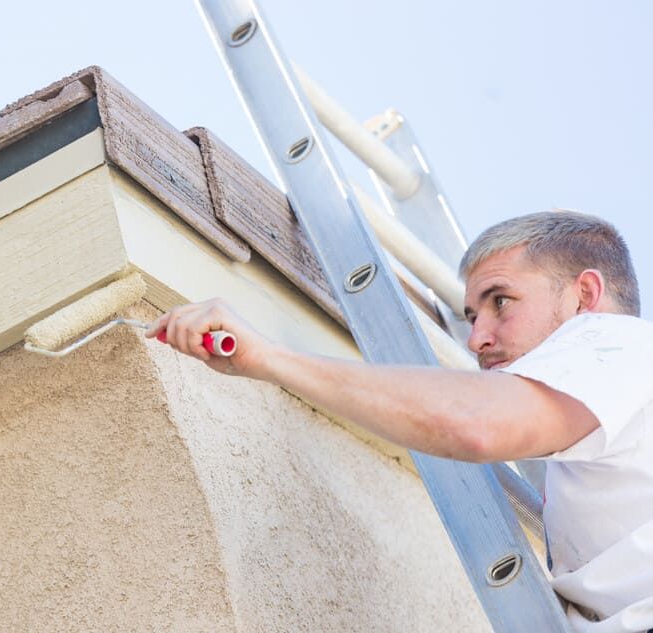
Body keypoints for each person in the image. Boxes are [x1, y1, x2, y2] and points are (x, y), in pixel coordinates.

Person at [146, 210, 653, 633]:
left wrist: (269, 358)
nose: (476, 339)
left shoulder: (622, 344)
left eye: (501, 301)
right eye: (472, 316)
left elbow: (474, 421)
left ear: (585, 296)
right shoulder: (600, 429)